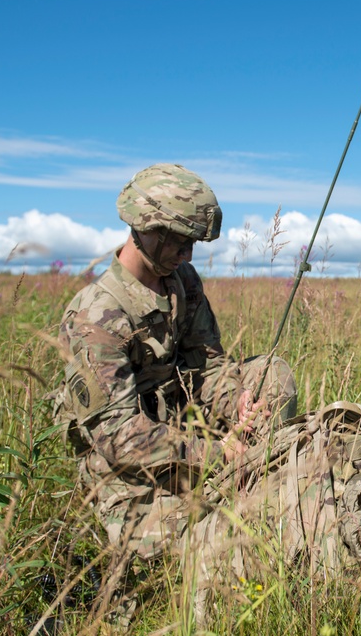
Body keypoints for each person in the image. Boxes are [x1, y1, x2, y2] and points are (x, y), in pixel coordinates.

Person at [53, 163, 298, 624]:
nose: (187, 254)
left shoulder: (182, 284)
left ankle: (260, 473)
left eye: (193, 244)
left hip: (188, 430)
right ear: (144, 230)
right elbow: (121, 438)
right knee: (217, 543)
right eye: (179, 241)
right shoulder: (96, 316)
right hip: (125, 471)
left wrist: (237, 401)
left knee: (271, 375)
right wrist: (218, 453)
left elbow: (206, 365)